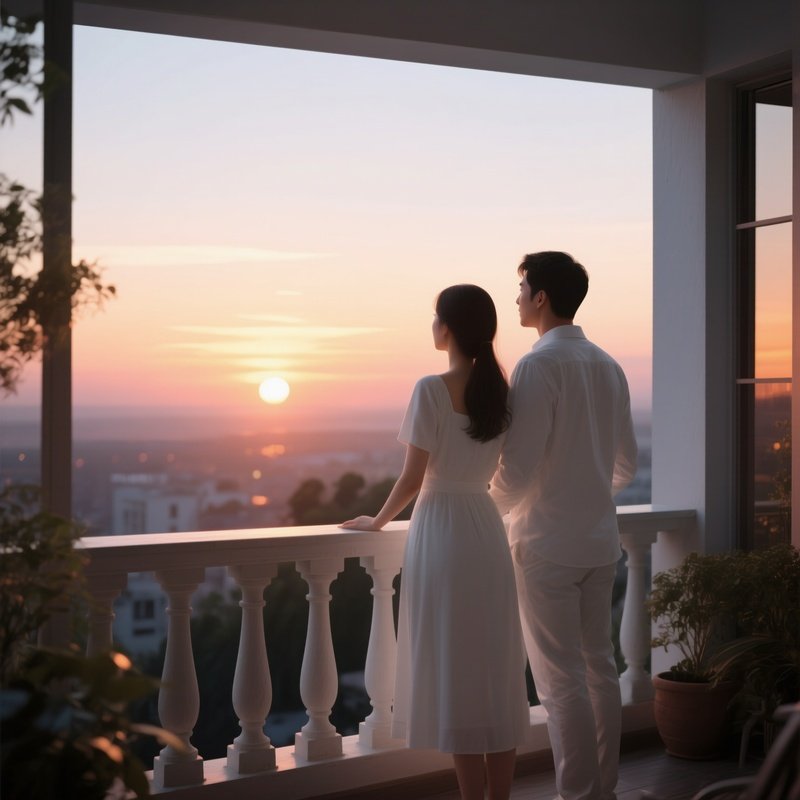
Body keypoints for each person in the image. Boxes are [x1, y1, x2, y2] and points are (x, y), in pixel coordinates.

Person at [341, 284, 530, 800]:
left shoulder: (431, 388)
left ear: (448, 327)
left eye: (434, 317)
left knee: (456, 668)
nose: (431, 325)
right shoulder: (502, 392)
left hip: (442, 529)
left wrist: (377, 521)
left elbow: (411, 478)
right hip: (485, 528)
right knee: (493, 667)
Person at [490, 251, 638, 800]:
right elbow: (626, 466)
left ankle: (579, 794)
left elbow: (517, 470)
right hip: (599, 544)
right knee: (599, 669)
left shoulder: (537, 366)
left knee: (560, 684)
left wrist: (480, 508)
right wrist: (587, 494)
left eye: (522, 286)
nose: (518, 296)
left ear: (541, 297)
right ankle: (604, 789)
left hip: (547, 546)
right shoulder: (608, 365)